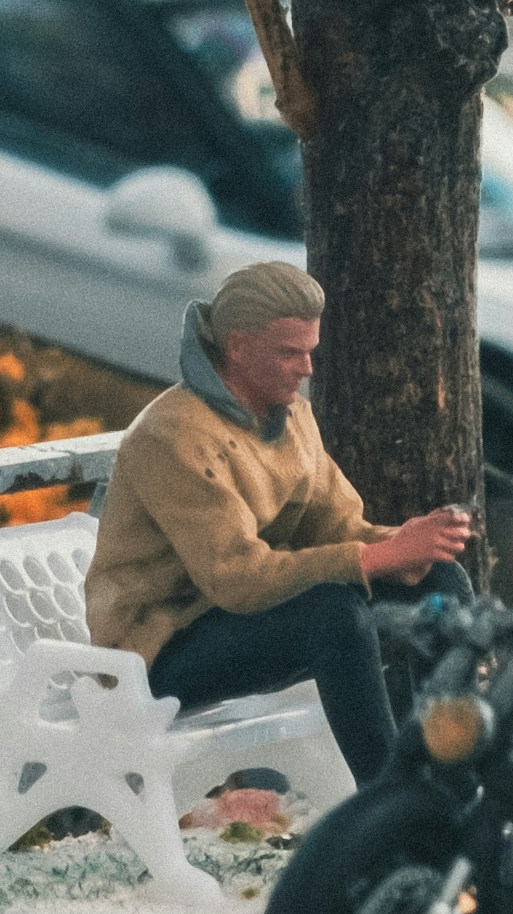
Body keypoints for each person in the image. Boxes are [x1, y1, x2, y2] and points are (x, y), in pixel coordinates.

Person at [84, 260, 475, 785]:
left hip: (250, 619)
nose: (307, 368)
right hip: (156, 653)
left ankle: (456, 770)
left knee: (441, 584)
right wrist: (377, 557)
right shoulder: (171, 437)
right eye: (291, 353)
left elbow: (337, 525)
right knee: (332, 612)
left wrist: (407, 548)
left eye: (311, 350)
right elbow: (238, 578)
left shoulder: (290, 416)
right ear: (239, 348)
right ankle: (389, 801)